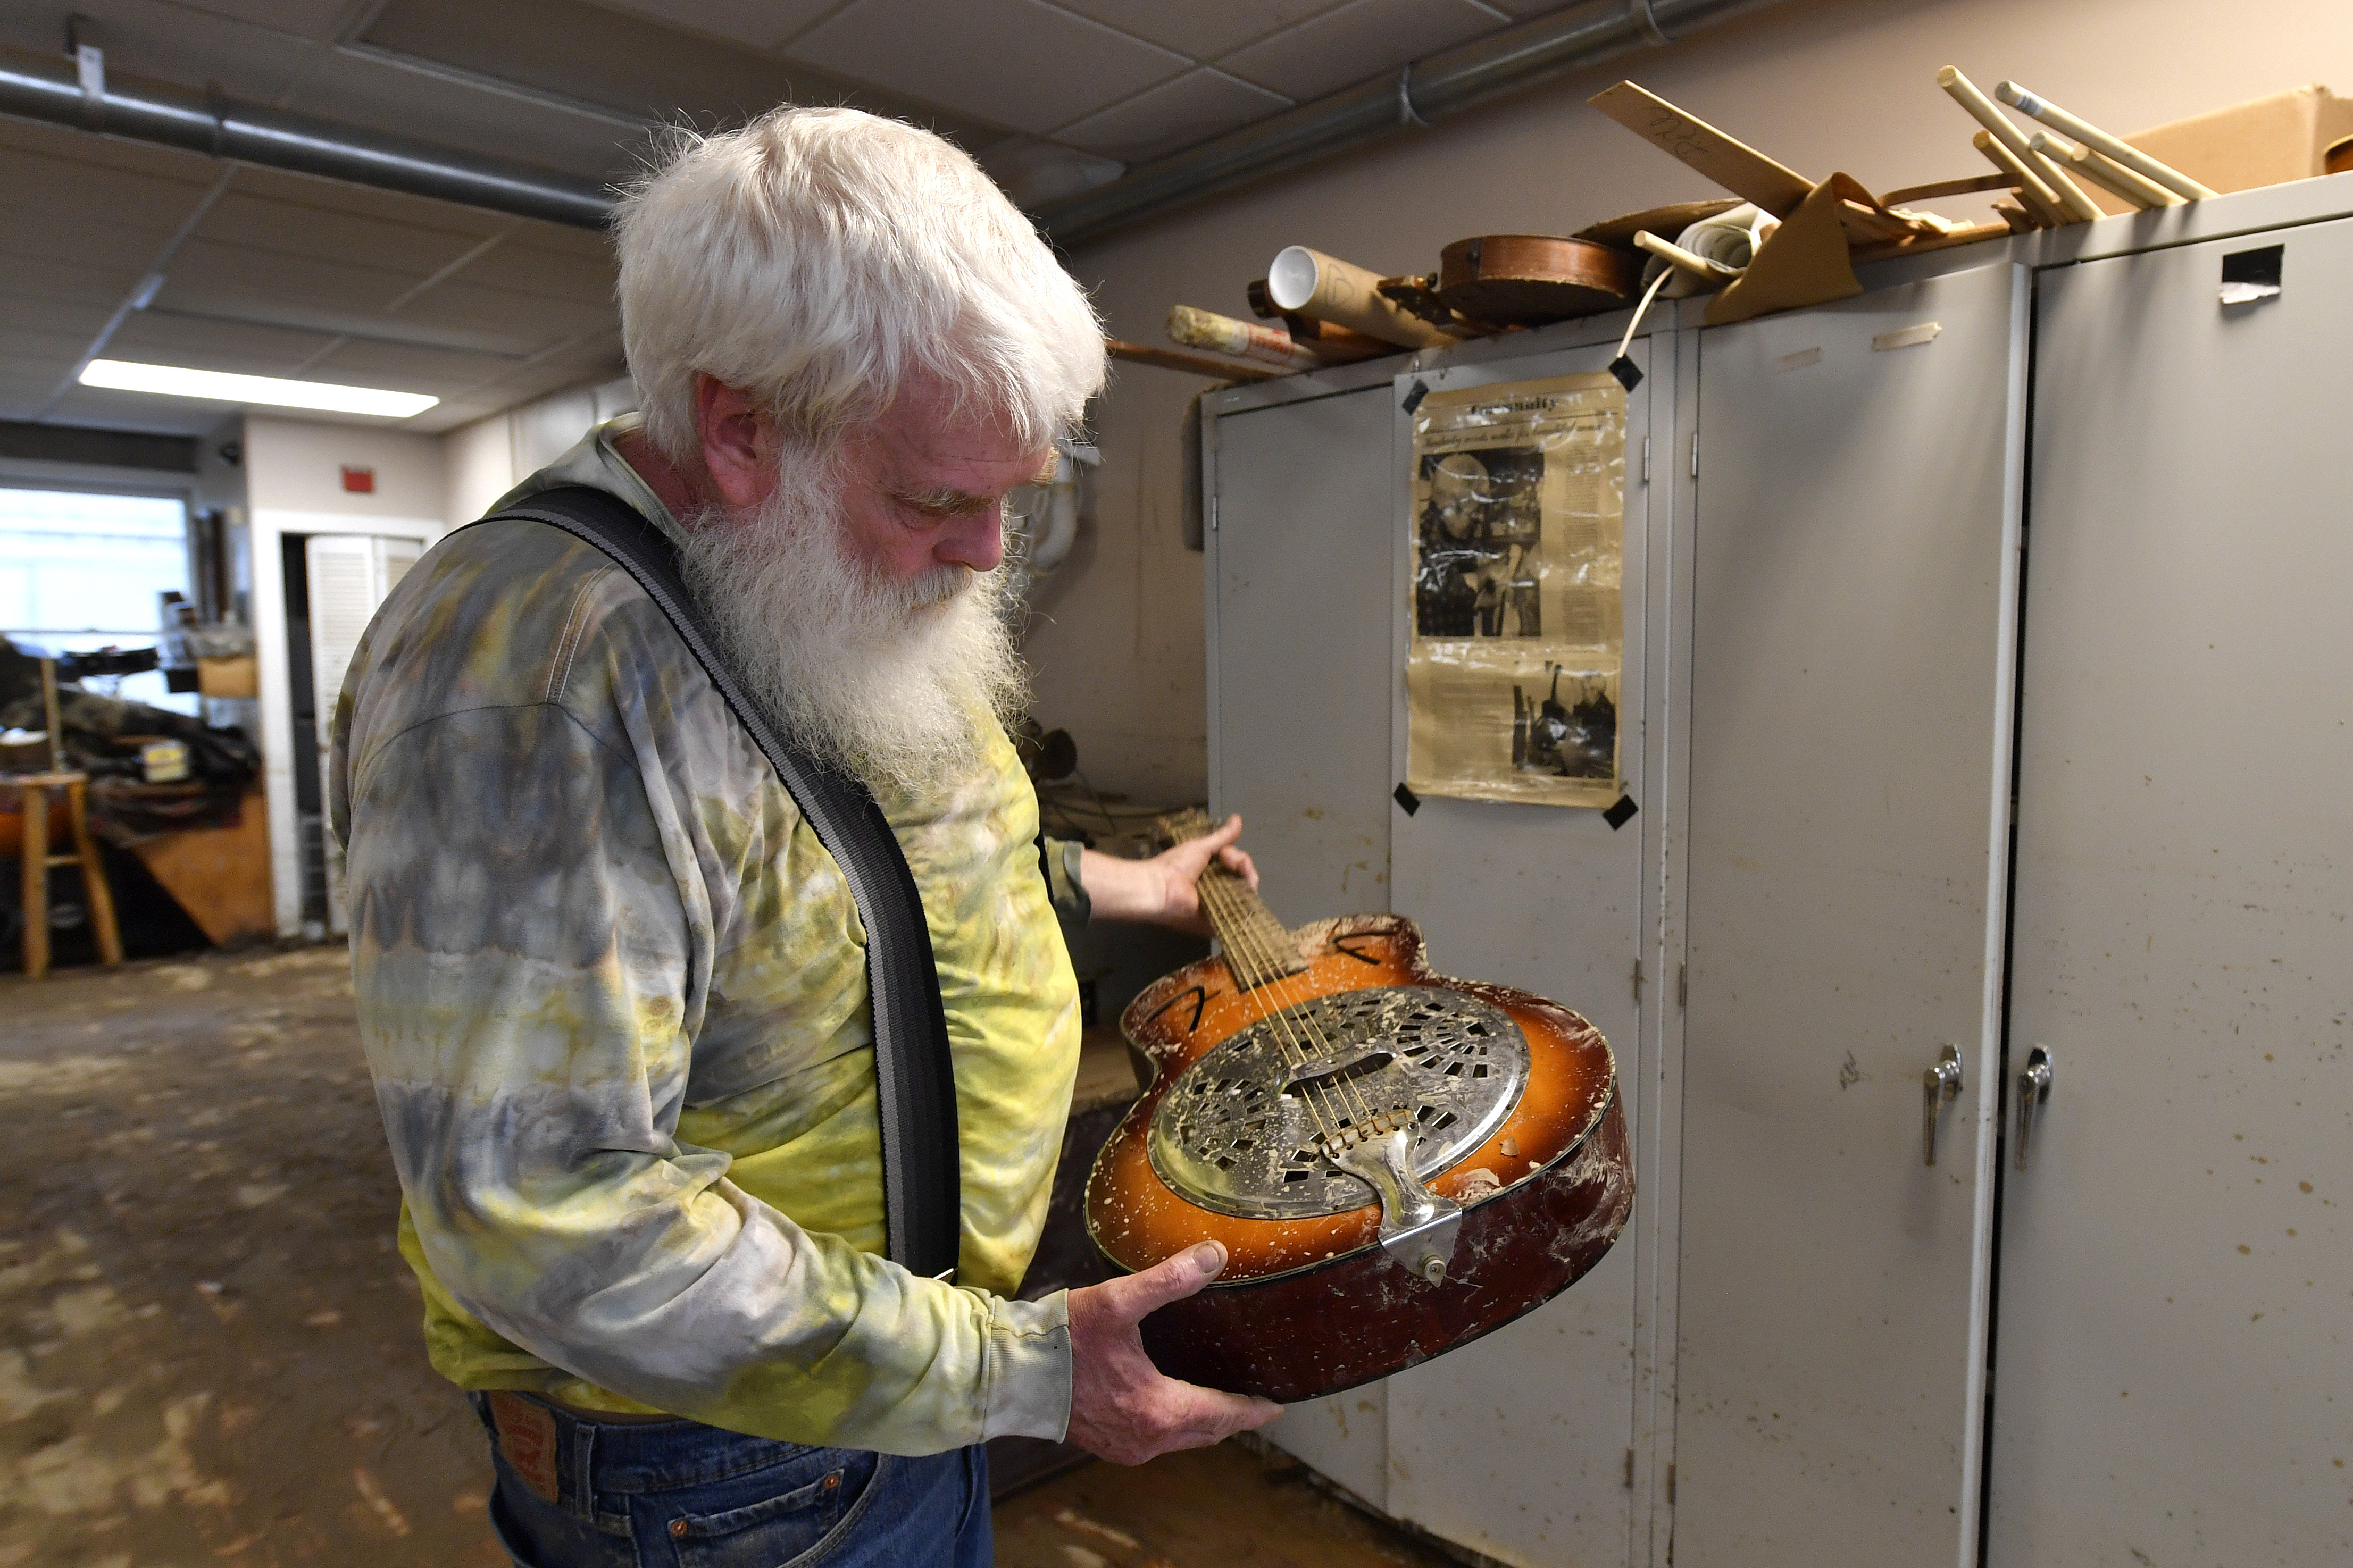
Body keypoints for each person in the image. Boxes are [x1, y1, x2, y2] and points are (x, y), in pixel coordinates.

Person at [330, 106, 1280, 1568]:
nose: (985, 556)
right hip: (729, 1471)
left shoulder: (817, 587)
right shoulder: (536, 686)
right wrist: (1011, 1370)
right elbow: (545, 1214)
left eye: (1010, 498)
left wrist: (1099, 881)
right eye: (935, 498)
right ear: (738, 426)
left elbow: (862, 866)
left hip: (894, 1395)